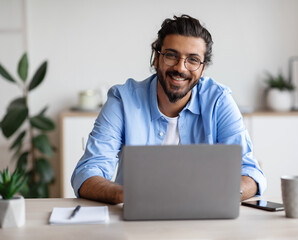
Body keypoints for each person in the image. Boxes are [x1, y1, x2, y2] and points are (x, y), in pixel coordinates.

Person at [71, 14, 266, 204]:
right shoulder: (123, 101)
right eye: (171, 56)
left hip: (205, 222)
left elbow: (251, 172)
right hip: (136, 223)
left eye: (193, 60)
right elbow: (87, 172)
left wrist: (222, 194)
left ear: (203, 68)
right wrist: (125, 194)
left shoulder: (219, 101)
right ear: (156, 58)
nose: (180, 67)